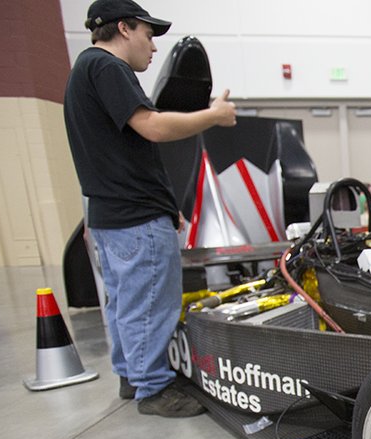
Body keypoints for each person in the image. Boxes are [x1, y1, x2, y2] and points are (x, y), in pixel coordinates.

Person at [64, 0, 237, 417]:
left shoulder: (85, 72)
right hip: (134, 217)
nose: (154, 47)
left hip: (115, 215)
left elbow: (124, 153)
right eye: (148, 34)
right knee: (151, 303)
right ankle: (153, 389)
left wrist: (164, 204)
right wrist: (211, 116)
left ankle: (132, 375)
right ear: (124, 28)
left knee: (127, 301)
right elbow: (153, 127)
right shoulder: (108, 68)